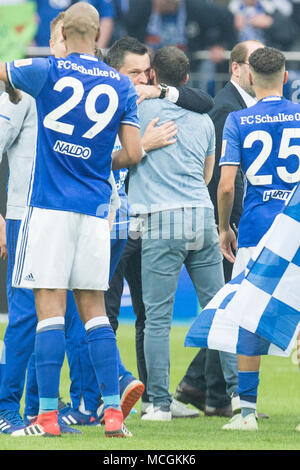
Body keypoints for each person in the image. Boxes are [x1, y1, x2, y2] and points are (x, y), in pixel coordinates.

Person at [0, 1, 142, 438]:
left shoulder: (48, 71)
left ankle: (45, 417)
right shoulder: (121, 83)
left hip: (47, 208)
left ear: (64, 34)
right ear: (99, 35)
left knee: (48, 312)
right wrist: (100, 163)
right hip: (97, 211)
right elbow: (134, 154)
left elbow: (5, 72)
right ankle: (113, 414)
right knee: (95, 312)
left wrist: (10, 88)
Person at [60, 36, 215, 423]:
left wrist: (158, 90)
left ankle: (153, 398)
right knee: (103, 313)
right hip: (107, 222)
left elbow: (204, 101)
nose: (142, 81)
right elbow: (88, 164)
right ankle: (100, 397)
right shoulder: (102, 106)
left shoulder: (147, 103)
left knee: (148, 314)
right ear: (113, 73)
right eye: (134, 74)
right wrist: (140, 147)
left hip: (142, 222)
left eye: (147, 73)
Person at [127, 45, 225, 421]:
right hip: (201, 215)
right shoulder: (202, 119)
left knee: (156, 318)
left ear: (152, 75)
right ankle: (236, 400)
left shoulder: (137, 109)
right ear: (186, 78)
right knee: (218, 312)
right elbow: (207, 174)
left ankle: (159, 404)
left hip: (158, 217)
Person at [174, 39, 264, 418]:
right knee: (233, 310)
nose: (259, 69)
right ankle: (211, 392)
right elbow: (220, 177)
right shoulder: (228, 108)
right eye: (253, 62)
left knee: (230, 308)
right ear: (236, 68)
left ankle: (201, 388)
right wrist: (224, 223)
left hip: (234, 224)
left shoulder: (246, 108)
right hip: (228, 226)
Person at [218, 45, 300, 430]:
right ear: (285, 77)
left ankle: (247, 413)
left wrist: (223, 228)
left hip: (255, 232)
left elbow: (227, 185)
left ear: (249, 78)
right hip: (296, 233)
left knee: (248, 318)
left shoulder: (237, 120)